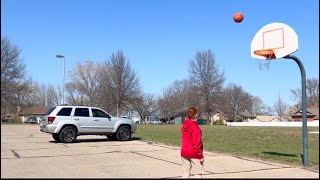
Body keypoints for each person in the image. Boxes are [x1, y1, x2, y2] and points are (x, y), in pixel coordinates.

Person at [180, 106, 205, 178]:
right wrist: (200, 156)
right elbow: (197, 143)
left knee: (186, 172)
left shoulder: (184, 125)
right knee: (197, 173)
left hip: (184, 151)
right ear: (196, 115)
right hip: (193, 153)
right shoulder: (195, 127)